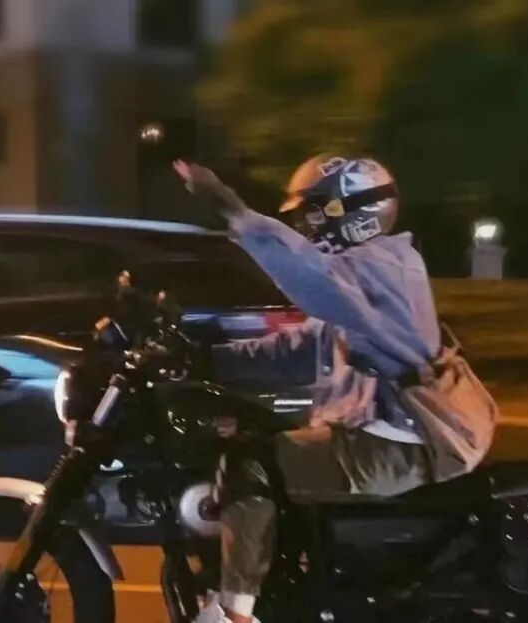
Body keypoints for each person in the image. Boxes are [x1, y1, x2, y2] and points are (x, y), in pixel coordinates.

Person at [173, 156, 498, 623]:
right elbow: (301, 349)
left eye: (314, 213)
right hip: (393, 428)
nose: (306, 227)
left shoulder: (379, 266)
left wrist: (233, 211)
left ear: (348, 212)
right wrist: (204, 356)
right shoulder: (361, 274)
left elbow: (307, 274)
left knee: (251, 463)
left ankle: (233, 612)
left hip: (404, 439)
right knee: (270, 437)